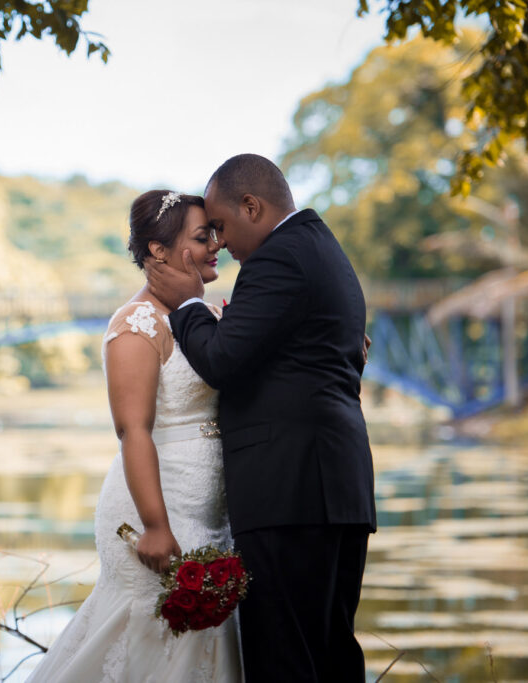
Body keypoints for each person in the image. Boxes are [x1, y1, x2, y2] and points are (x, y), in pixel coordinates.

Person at [145, 153, 377, 682]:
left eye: (222, 226)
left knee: (285, 662)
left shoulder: (278, 258)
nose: (220, 243)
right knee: (331, 656)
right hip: (333, 486)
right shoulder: (321, 247)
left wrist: (188, 307)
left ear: (253, 206)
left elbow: (222, 360)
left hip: (290, 491)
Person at [27, 190, 242, 681]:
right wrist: (156, 525)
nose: (216, 246)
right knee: (151, 638)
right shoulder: (136, 324)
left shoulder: (205, 316)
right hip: (156, 505)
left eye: (214, 235)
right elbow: (132, 430)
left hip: (211, 510)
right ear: (158, 251)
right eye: (201, 236)